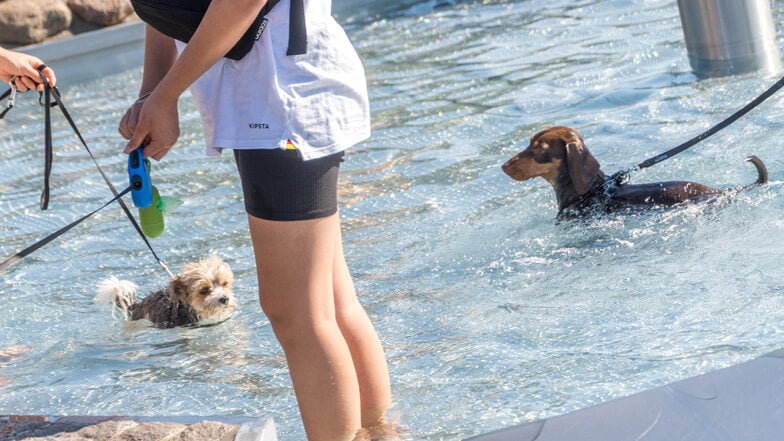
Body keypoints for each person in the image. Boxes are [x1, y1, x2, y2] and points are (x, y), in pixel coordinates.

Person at [117, 1, 393, 440]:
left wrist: (166, 95)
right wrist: (152, 93)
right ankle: (381, 434)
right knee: (333, 304)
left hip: (281, 103)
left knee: (297, 311)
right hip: (283, 97)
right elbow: (164, 10)